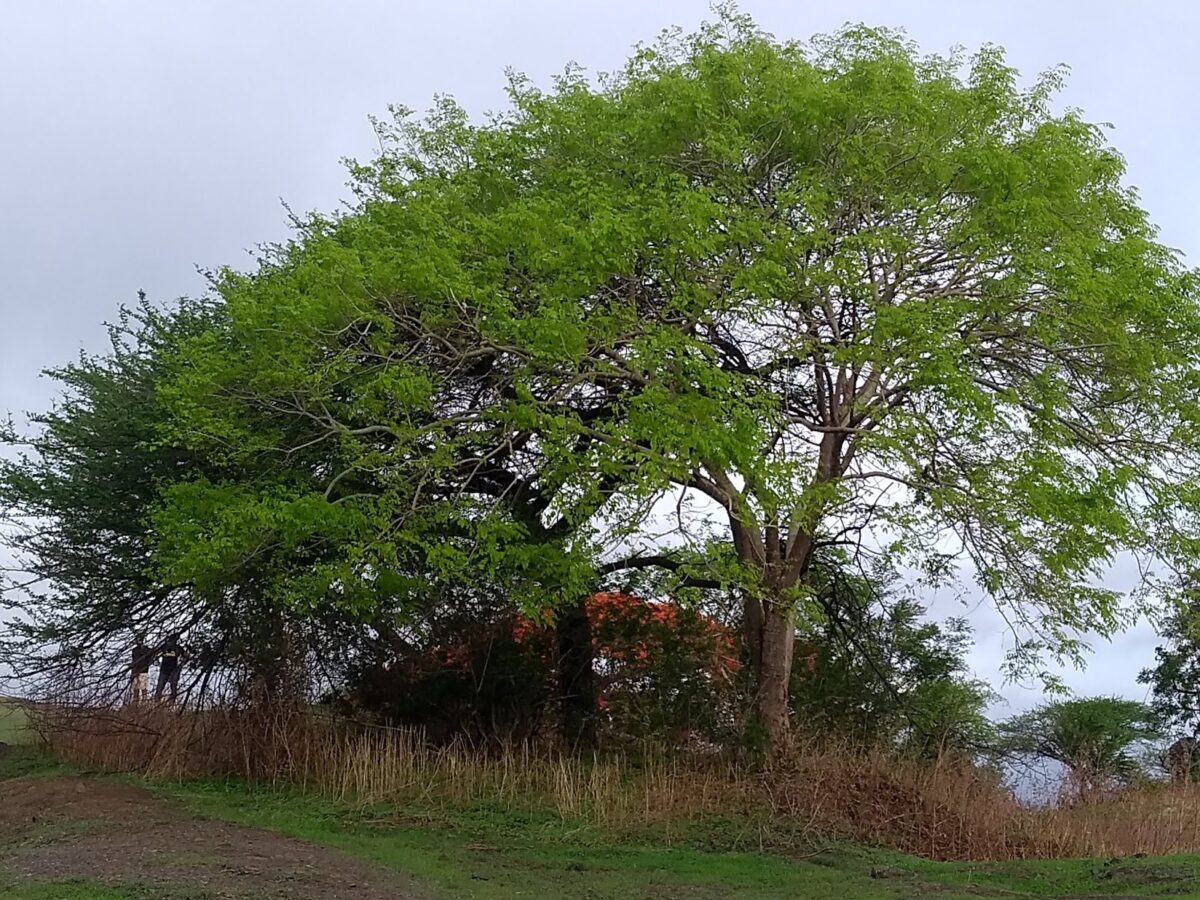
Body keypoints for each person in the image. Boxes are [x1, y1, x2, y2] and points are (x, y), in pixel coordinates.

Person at [155, 633, 183, 703]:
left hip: (173, 670)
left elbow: (185, 656)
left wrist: (180, 667)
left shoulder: (178, 648)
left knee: (173, 687)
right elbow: (156, 654)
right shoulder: (164, 647)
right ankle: (156, 702)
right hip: (164, 670)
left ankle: (172, 703)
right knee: (160, 687)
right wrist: (157, 662)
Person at [130, 635, 152, 704]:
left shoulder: (147, 650)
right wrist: (132, 673)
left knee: (143, 689)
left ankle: (144, 704)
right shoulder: (134, 650)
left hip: (144, 671)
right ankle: (135, 704)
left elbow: (150, 660)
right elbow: (133, 661)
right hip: (135, 672)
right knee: (135, 690)